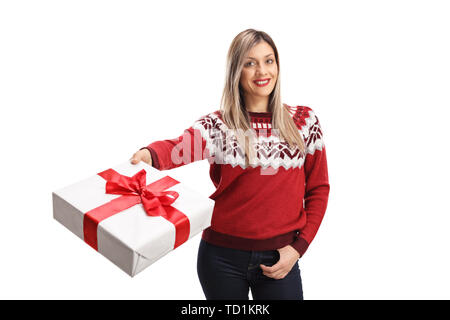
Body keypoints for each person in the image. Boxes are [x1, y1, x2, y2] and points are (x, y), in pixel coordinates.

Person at [130, 29, 330, 300]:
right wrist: (149, 154)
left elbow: (318, 189)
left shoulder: (304, 122)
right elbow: (179, 147)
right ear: (237, 70)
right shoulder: (219, 126)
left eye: (268, 60)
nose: (262, 71)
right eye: (250, 63)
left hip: (280, 257)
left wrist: (298, 247)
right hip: (220, 258)